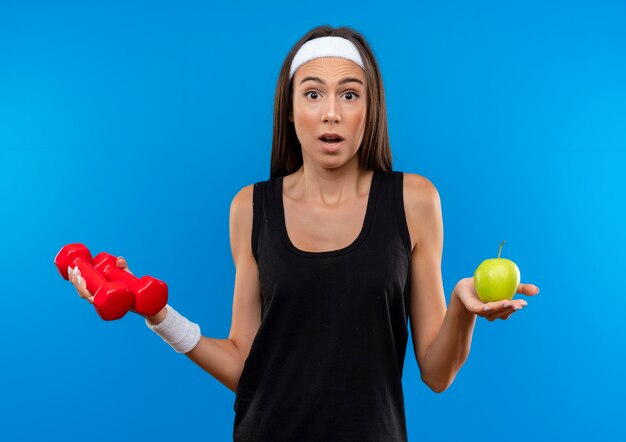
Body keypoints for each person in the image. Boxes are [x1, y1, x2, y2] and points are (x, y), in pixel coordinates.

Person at [67, 25, 540, 441]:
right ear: (291, 111)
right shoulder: (250, 208)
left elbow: (437, 374)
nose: (331, 113)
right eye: (313, 94)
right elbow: (244, 365)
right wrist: (158, 314)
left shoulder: (414, 200)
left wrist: (461, 306)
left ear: (369, 111)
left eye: (349, 94)